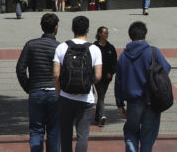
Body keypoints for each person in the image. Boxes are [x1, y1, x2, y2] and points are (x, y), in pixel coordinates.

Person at [115, 21, 171, 152]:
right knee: (148, 136)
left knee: (130, 133)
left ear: (130, 36)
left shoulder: (123, 56)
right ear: (145, 34)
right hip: (152, 101)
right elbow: (166, 69)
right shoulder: (153, 52)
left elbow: (118, 82)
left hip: (133, 102)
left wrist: (120, 104)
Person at [52, 15, 102, 152]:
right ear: (88, 30)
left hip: (65, 97)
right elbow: (98, 76)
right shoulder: (94, 49)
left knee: (65, 134)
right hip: (86, 99)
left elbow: (56, 74)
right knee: (82, 135)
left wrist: (58, 93)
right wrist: (87, 82)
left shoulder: (62, 47)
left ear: (72, 29)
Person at [16, 13, 61, 152]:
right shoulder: (60, 47)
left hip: (36, 91)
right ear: (56, 28)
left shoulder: (31, 45)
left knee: (36, 129)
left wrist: (29, 87)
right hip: (55, 93)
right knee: (54, 129)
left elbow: (20, 69)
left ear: (42, 27)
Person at [93, 26, 118, 126]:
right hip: (96, 76)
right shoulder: (94, 47)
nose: (106, 35)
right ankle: (102, 116)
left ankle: (97, 115)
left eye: (107, 33)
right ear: (99, 34)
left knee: (101, 96)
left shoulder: (110, 47)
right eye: (104, 33)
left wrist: (111, 72)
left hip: (107, 78)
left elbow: (114, 62)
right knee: (101, 95)